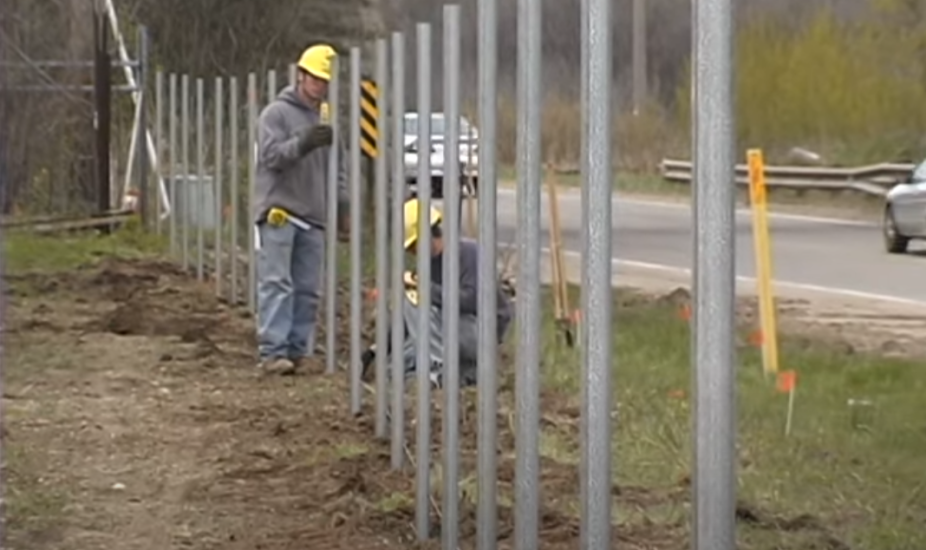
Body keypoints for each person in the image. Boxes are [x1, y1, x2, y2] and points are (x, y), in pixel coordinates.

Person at [253, 43, 348, 375]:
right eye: (315, 79)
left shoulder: (327, 120)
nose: (320, 86)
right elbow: (271, 157)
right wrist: (303, 142)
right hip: (280, 211)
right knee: (277, 282)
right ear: (301, 75)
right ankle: (272, 351)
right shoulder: (276, 114)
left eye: (325, 81)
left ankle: (296, 351)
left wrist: (342, 206)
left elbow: (338, 167)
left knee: (308, 289)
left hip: (313, 215)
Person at [363, 198, 514, 387]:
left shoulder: (469, 254)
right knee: (394, 369)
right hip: (444, 335)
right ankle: (462, 374)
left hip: (478, 333)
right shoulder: (428, 266)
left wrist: (424, 287)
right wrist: (377, 350)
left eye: (413, 246)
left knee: (414, 302)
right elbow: (409, 320)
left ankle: (438, 369)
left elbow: (472, 300)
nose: (412, 253)